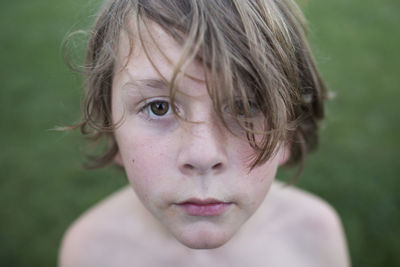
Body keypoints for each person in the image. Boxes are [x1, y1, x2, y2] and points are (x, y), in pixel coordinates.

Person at [59, 0, 350, 266]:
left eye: (245, 107)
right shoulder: (91, 252)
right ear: (111, 126)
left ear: (289, 129)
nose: (203, 155)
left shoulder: (314, 237)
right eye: (159, 107)